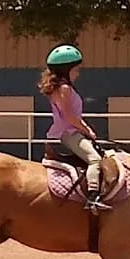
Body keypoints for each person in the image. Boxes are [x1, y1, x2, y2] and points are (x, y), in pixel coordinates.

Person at [38, 44, 111, 211]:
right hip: (69, 133)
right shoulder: (64, 88)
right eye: (76, 70)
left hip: (71, 131)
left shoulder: (61, 88)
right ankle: (92, 198)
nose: (78, 73)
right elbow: (69, 116)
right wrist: (87, 130)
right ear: (66, 69)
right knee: (95, 160)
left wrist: (86, 130)